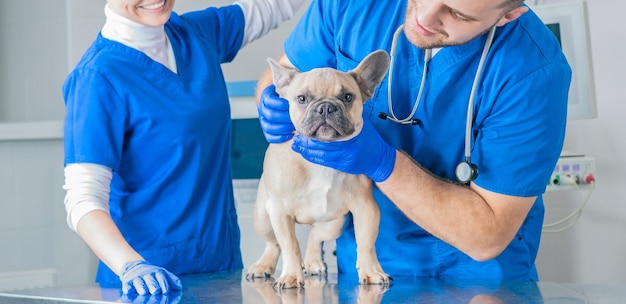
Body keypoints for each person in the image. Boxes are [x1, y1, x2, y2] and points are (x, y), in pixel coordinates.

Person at [256, 0, 571, 281]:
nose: (426, 14)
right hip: (365, 267)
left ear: (508, 13)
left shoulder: (532, 71)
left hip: (475, 281)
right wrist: (268, 100)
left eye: (457, 13)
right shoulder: (348, 4)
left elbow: (487, 235)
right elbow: (280, 73)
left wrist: (384, 163)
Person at [62, 0, 305, 295]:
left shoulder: (194, 34)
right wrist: (131, 265)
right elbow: (82, 199)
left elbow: (274, 6)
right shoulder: (97, 78)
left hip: (220, 269)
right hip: (148, 283)